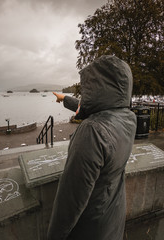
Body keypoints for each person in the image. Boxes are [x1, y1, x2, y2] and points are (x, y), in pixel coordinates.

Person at [47, 55, 136, 240]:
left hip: (91, 229)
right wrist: (65, 99)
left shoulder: (93, 131)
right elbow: (93, 107)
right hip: (113, 220)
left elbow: (70, 201)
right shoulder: (127, 118)